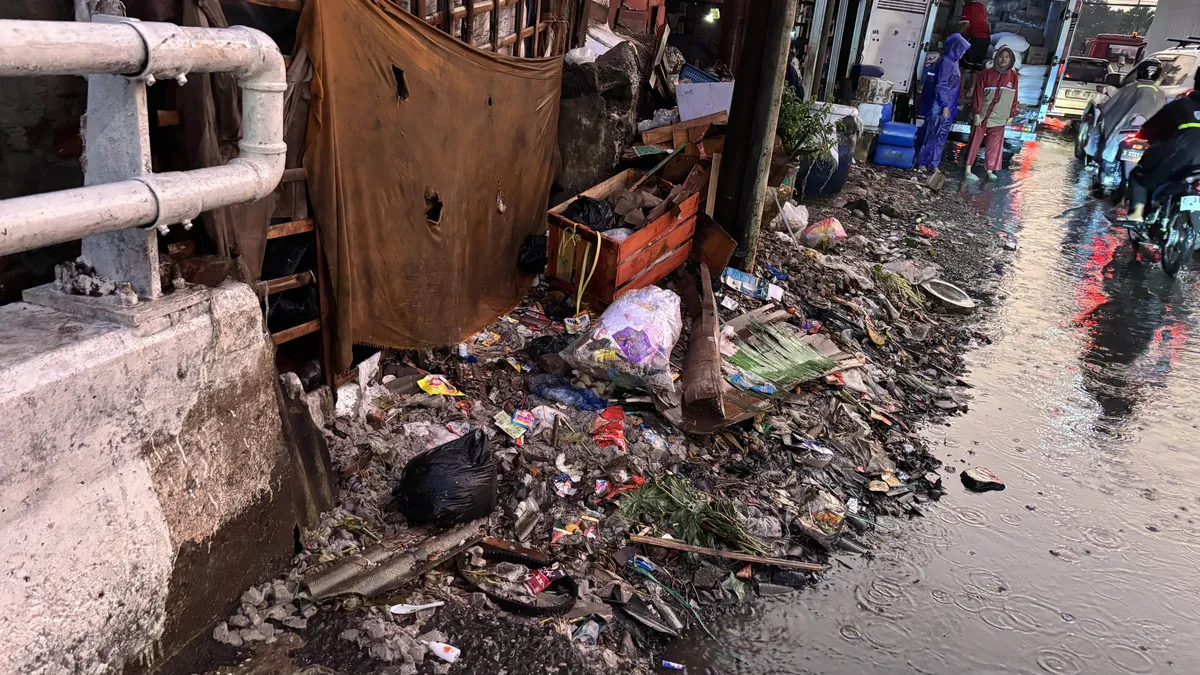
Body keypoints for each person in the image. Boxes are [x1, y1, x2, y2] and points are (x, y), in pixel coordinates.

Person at [1125, 68, 1200, 222]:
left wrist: (1145, 136)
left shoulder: (1181, 106)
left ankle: (1137, 215)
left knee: (1139, 176)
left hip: (1179, 158)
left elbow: (1151, 129)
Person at [1095, 58, 1166, 169]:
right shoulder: (1160, 93)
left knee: (1101, 138)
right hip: (1148, 134)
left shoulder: (1129, 88)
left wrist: (1101, 106)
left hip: (1124, 131)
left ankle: (1102, 161)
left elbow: (1108, 107)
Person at [916, 34, 971, 172]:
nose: (963, 52)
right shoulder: (946, 62)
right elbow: (941, 85)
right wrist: (944, 105)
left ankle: (933, 164)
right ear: (956, 48)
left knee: (940, 136)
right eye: (962, 49)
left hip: (947, 105)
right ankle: (922, 162)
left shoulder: (953, 63)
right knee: (931, 134)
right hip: (939, 106)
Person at [964, 46, 1019, 181]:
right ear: (996, 57)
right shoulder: (986, 73)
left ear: (1011, 60)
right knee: (974, 142)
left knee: (994, 145)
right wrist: (976, 112)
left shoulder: (1013, 76)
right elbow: (978, 93)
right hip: (982, 115)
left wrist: (1012, 114)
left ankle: (990, 171)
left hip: (1000, 117)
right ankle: (967, 169)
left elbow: (1014, 96)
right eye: (1001, 56)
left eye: (1007, 57)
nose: (1003, 59)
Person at [958, 0, 991, 94]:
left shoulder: (968, 6)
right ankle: (972, 90)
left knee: (963, 67)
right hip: (986, 40)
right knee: (976, 68)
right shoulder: (981, 6)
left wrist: (956, 35)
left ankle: (960, 93)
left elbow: (966, 24)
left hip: (975, 38)